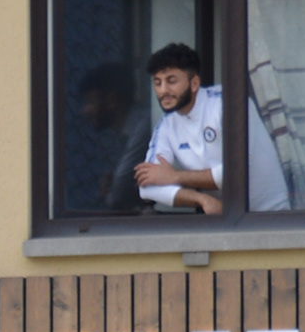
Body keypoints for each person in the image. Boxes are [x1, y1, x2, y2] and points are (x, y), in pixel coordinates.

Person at [135, 43, 225, 216]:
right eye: (157, 82)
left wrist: (175, 176)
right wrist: (202, 200)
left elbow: (238, 173)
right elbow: (147, 186)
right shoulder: (166, 125)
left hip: (269, 217)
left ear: (194, 83)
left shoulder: (225, 104)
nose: (163, 90)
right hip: (221, 219)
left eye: (171, 81)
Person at [60, 61, 143, 212]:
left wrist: (115, 191)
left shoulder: (143, 129)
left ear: (111, 100)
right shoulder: (130, 132)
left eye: (90, 101)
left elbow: (117, 197)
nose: (85, 110)